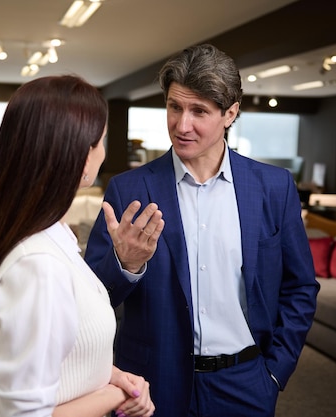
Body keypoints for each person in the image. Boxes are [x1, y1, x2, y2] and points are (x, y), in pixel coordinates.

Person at [84, 44, 319, 417]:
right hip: (150, 386)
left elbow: (300, 286)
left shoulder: (274, 187)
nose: (182, 125)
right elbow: (90, 299)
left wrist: (275, 372)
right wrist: (125, 265)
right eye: (175, 107)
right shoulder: (128, 190)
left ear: (230, 113)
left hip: (246, 383)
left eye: (199, 111)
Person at [0, 75, 155, 417]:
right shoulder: (37, 265)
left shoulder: (43, 236)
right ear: (81, 154)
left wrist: (119, 379)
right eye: (101, 140)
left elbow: (65, 357)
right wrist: (114, 396)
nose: (103, 151)